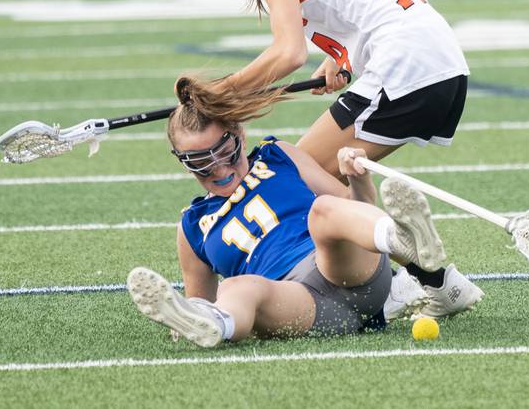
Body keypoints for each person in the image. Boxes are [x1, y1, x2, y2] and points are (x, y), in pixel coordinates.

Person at [183, 0, 483, 318]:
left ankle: (414, 284)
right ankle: (429, 283)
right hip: (430, 58)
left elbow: (286, 54)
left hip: (405, 64)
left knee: (295, 175)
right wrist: (343, 56)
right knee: (312, 174)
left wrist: (219, 93)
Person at [127, 78, 447, 346]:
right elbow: (200, 301)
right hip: (301, 305)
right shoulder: (192, 227)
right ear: (182, 162)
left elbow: (354, 206)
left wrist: (358, 178)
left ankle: (400, 238)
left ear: (239, 133)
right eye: (201, 164)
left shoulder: (278, 155)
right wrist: (189, 316)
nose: (220, 170)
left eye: (226, 154)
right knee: (236, 288)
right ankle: (222, 326)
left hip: (351, 271)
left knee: (323, 211)